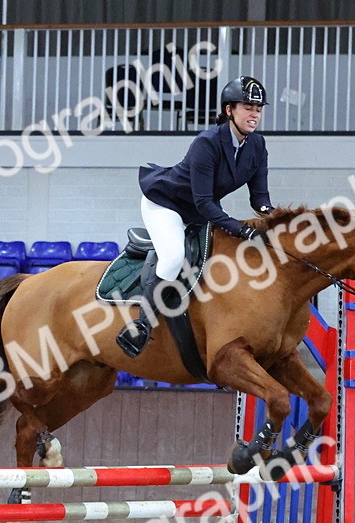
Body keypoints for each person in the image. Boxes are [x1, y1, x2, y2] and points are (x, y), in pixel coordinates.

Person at [117, 75, 276, 357]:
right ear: (229, 110)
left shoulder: (257, 146)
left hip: (199, 211)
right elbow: (204, 203)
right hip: (166, 204)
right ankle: (140, 324)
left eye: (259, 109)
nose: (255, 114)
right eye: (248, 107)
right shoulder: (208, 142)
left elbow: (260, 200)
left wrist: (276, 220)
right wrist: (241, 229)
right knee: (174, 257)